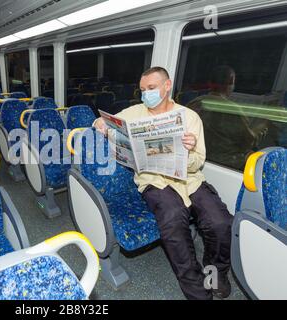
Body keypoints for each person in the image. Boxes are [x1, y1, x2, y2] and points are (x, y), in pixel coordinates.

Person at [94, 66, 233, 300]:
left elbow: (198, 161)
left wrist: (187, 152)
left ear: (167, 86)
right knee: (173, 219)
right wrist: (100, 124)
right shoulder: (134, 113)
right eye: (142, 90)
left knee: (220, 222)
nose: (145, 94)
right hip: (153, 181)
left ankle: (216, 272)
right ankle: (195, 288)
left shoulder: (189, 118)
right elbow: (106, 120)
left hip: (189, 179)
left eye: (151, 88)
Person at [187, 65, 267, 170]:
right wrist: (261, 128)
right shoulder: (232, 110)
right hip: (227, 163)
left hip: (199, 156)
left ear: (210, 83)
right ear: (230, 83)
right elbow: (247, 142)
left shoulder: (194, 103)